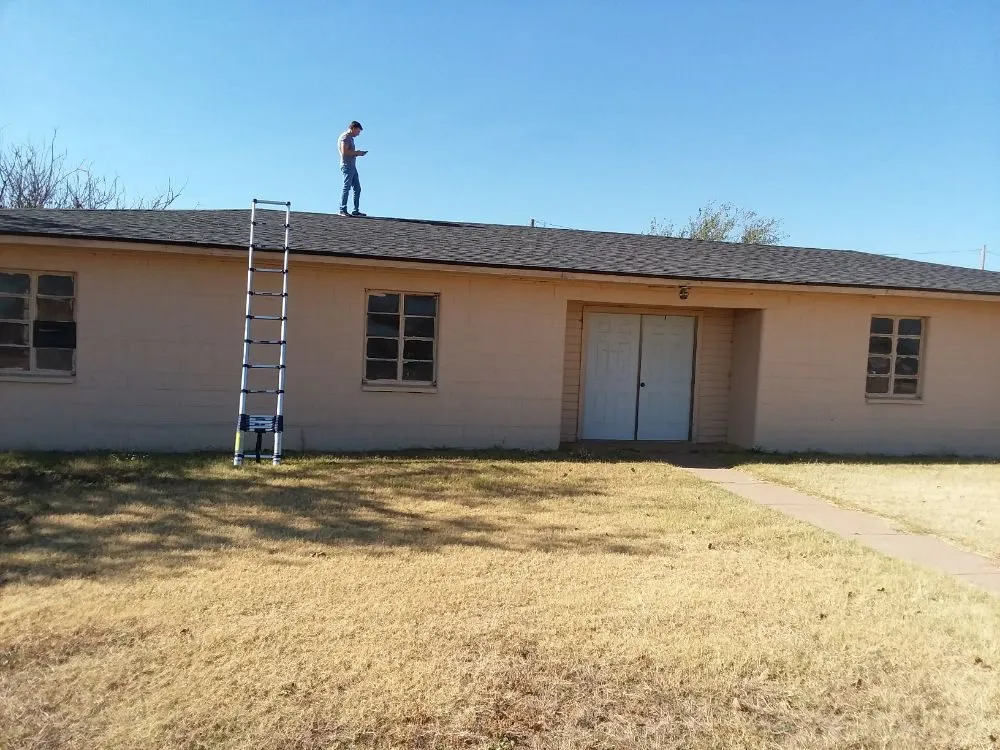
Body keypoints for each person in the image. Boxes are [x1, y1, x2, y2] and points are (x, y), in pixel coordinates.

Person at [338, 121, 368, 216]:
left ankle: (356, 210)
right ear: (353, 128)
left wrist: (357, 153)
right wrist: (357, 153)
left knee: (357, 188)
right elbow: (344, 152)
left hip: (352, 166)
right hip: (347, 165)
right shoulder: (346, 137)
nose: (358, 134)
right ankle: (343, 209)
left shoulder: (350, 138)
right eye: (358, 131)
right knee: (346, 187)